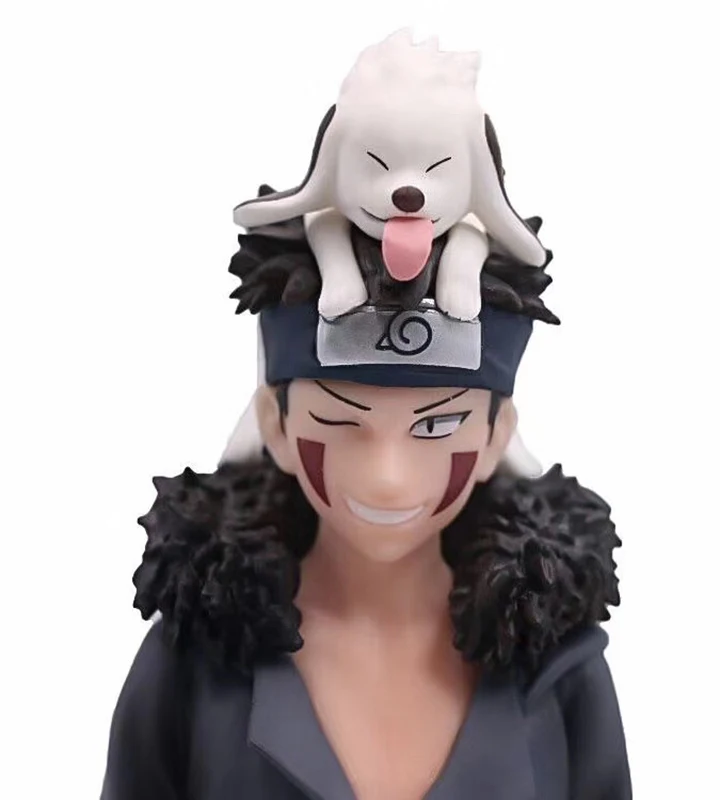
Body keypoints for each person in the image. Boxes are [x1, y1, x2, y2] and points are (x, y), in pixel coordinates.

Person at [101, 30, 631, 800]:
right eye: (342, 422)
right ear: (277, 426)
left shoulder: (561, 666)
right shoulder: (195, 659)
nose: (387, 477)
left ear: (495, 436)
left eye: (437, 426)